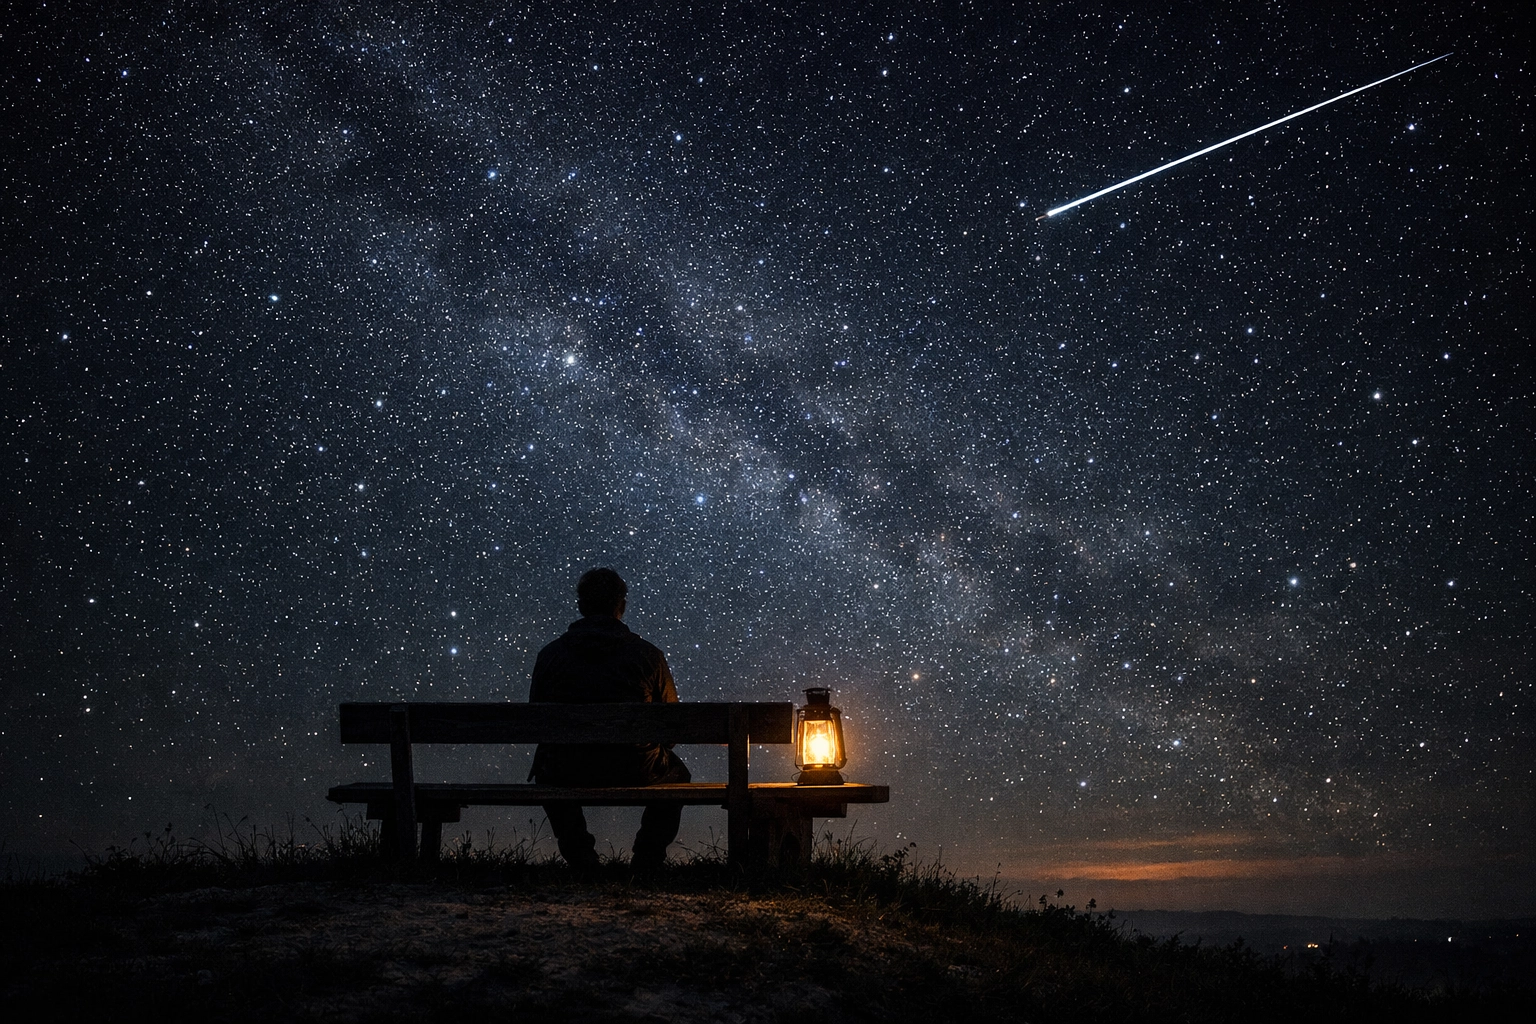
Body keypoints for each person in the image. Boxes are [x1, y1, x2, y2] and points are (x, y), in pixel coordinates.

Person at [529, 567, 690, 871]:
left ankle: (581, 857)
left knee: (547, 771)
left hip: (567, 768)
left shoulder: (550, 656)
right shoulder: (648, 656)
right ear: (621, 606)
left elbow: (537, 719)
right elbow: (672, 725)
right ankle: (648, 856)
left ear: (581, 605)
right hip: (635, 766)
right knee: (678, 774)